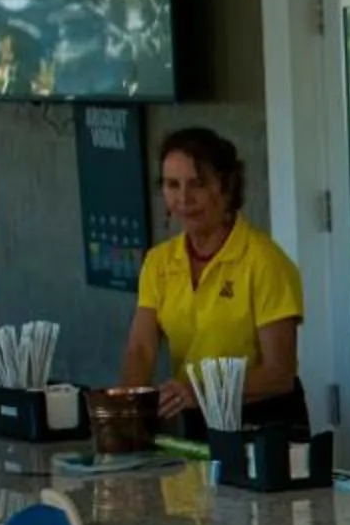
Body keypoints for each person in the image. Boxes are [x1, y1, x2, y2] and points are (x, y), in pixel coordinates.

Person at [124, 127, 309, 433]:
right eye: (172, 185)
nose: (184, 198)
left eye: (197, 184)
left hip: (262, 424)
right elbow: (141, 349)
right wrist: (126, 415)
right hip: (195, 418)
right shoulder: (159, 261)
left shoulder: (264, 261)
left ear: (226, 187)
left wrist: (200, 391)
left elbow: (279, 373)